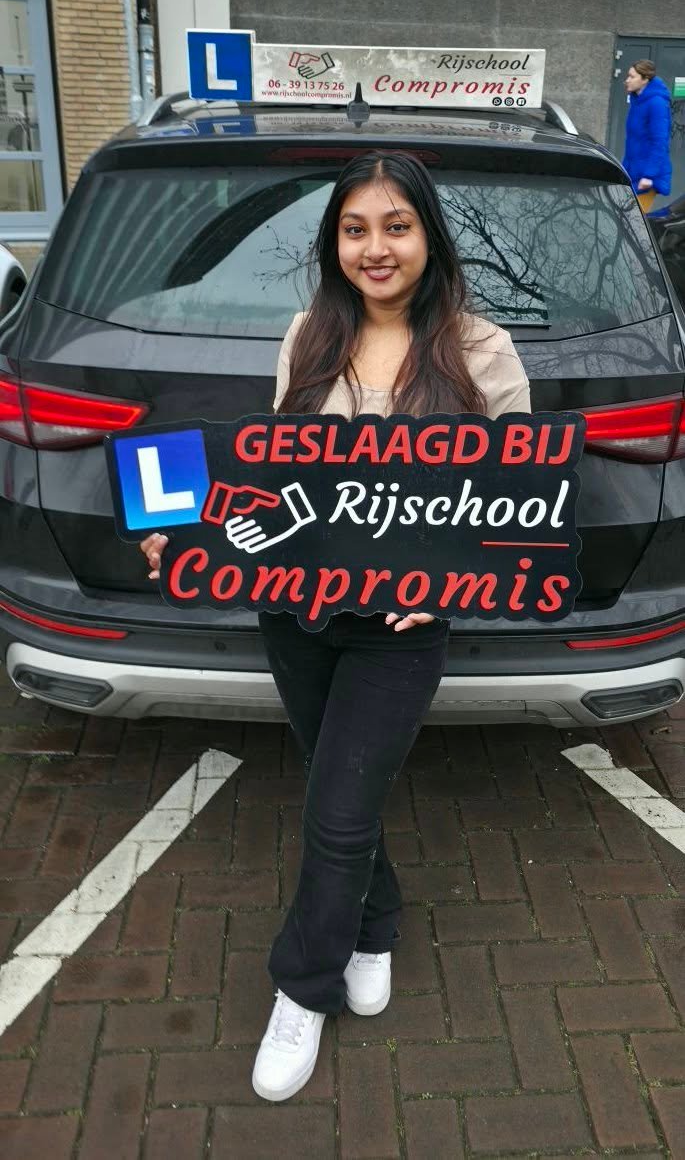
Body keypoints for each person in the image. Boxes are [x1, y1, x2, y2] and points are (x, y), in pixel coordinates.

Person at [140, 149, 531, 1103]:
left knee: (341, 811)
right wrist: (187, 535)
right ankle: (376, 924)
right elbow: (272, 474)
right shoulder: (309, 334)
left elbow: (512, 501)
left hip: (401, 629)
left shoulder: (481, 351)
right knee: (334, 795)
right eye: (355, 229)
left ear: (428, 236)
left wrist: (448, 581)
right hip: (298, 614)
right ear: (334, 244)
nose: (375, 248)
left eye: (396, 226)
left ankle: (300, 989)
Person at [623, 60, 672, 212]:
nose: (627, 80)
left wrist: (649, 176)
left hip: (647, 178)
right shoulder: (637, 101)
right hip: (633, 172)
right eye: (628, 76)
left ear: (645, 79)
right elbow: (634, 141)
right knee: (625, 218)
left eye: (632, 77)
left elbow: (660, 142)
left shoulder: (657, 103)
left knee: (633, 220)